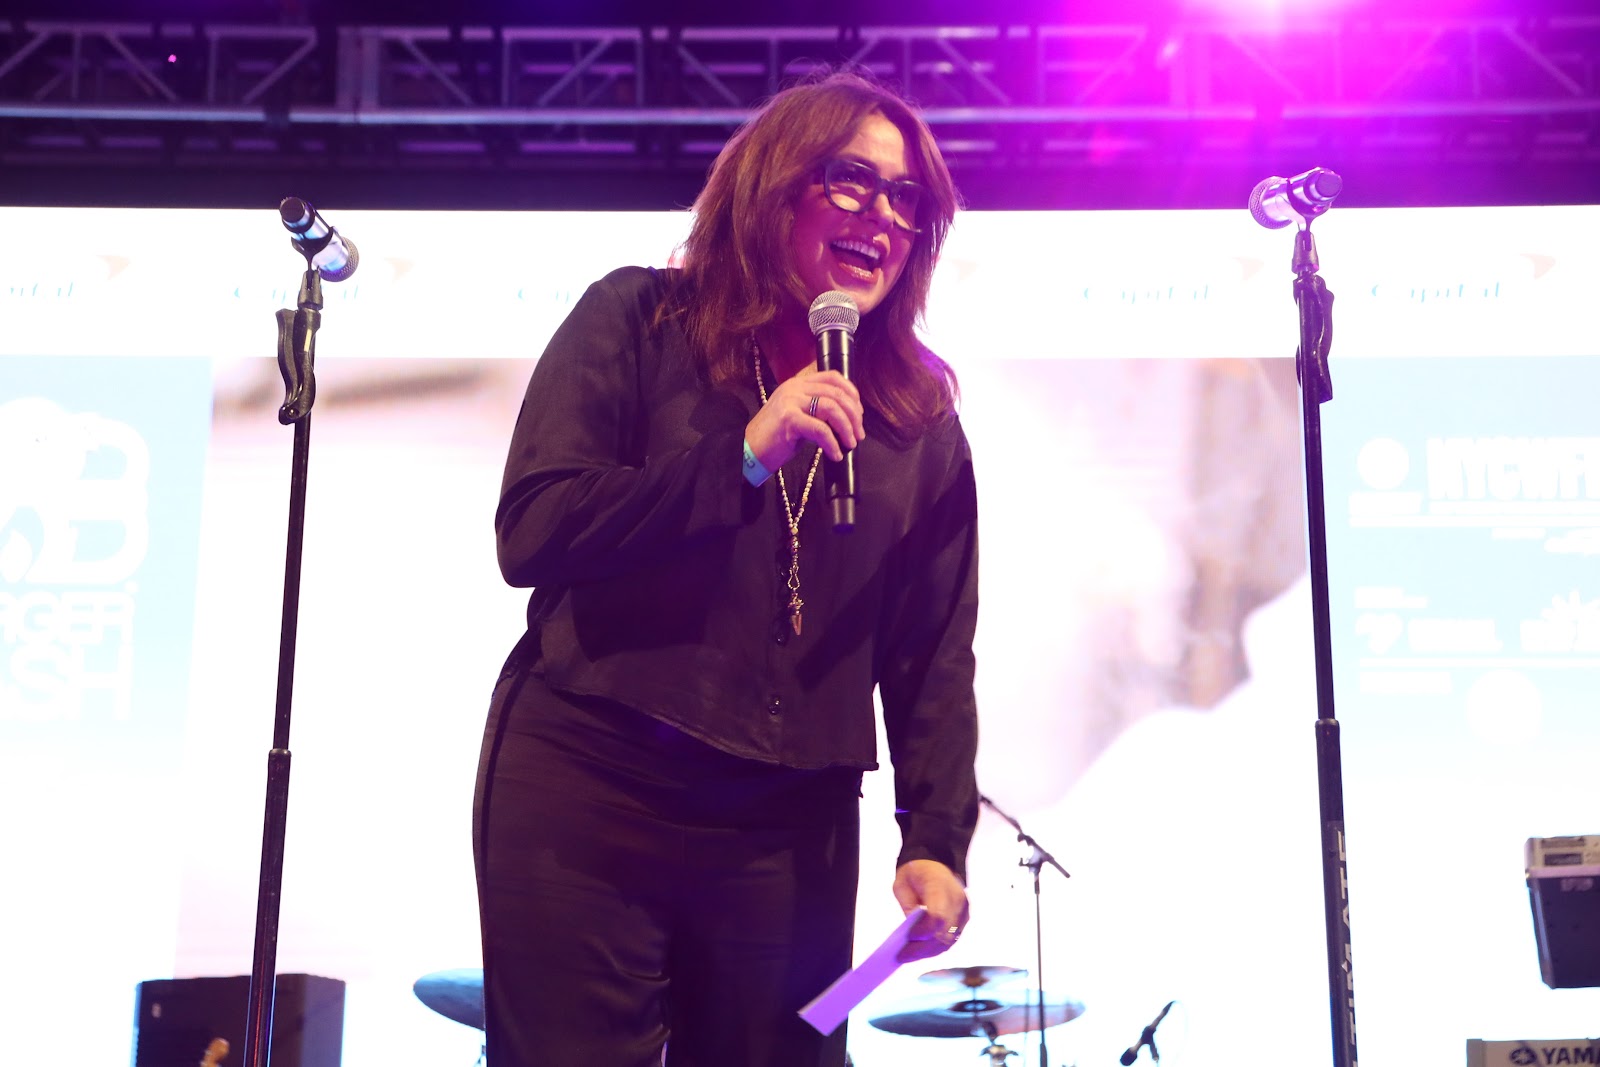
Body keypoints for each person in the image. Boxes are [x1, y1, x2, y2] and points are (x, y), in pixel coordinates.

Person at [472, 70, 980, 1067]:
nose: (880, 214)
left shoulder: (920, 421)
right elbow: (533, 530)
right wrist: (741, 454)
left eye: (905, 198)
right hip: (591, 777)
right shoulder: (636, 320)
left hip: (790, 821)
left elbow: (933, 646)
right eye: (848, 181)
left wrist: (935, 833)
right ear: (771, 186)